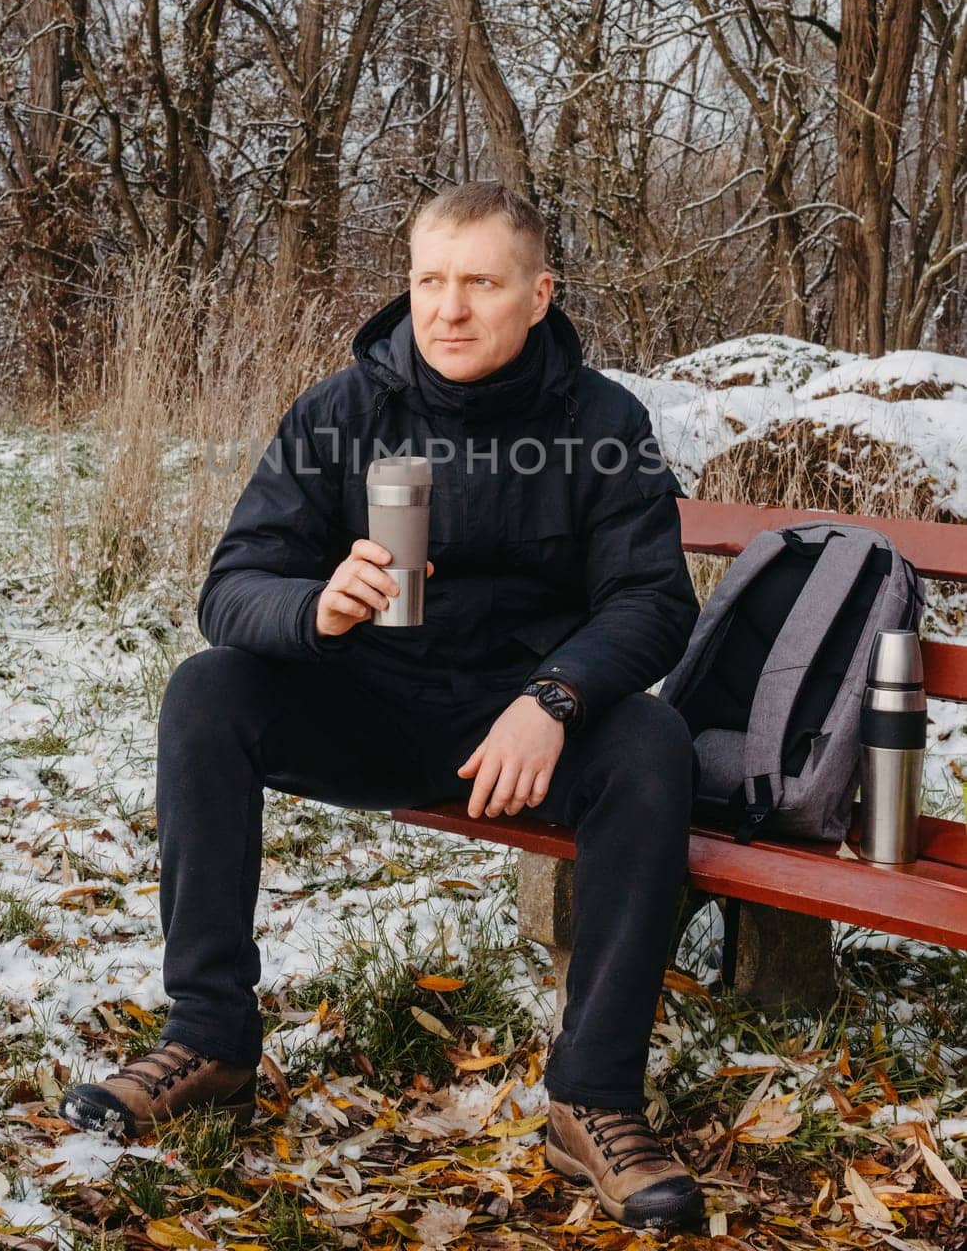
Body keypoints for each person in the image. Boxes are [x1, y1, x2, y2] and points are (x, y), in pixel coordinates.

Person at [59, 183, 705, 1231]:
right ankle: (210, 1034)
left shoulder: (599, 423)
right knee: (207, 690)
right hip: (367, 709)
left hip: (517, 737)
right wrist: (317, 606)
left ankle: (594, 1095)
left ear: (538, 295)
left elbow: (652, 598)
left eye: (480, 283)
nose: (448, 309)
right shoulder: (341, 411)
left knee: (649, 740)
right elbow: (232, 585)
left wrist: (558, 695)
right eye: (429, 281)